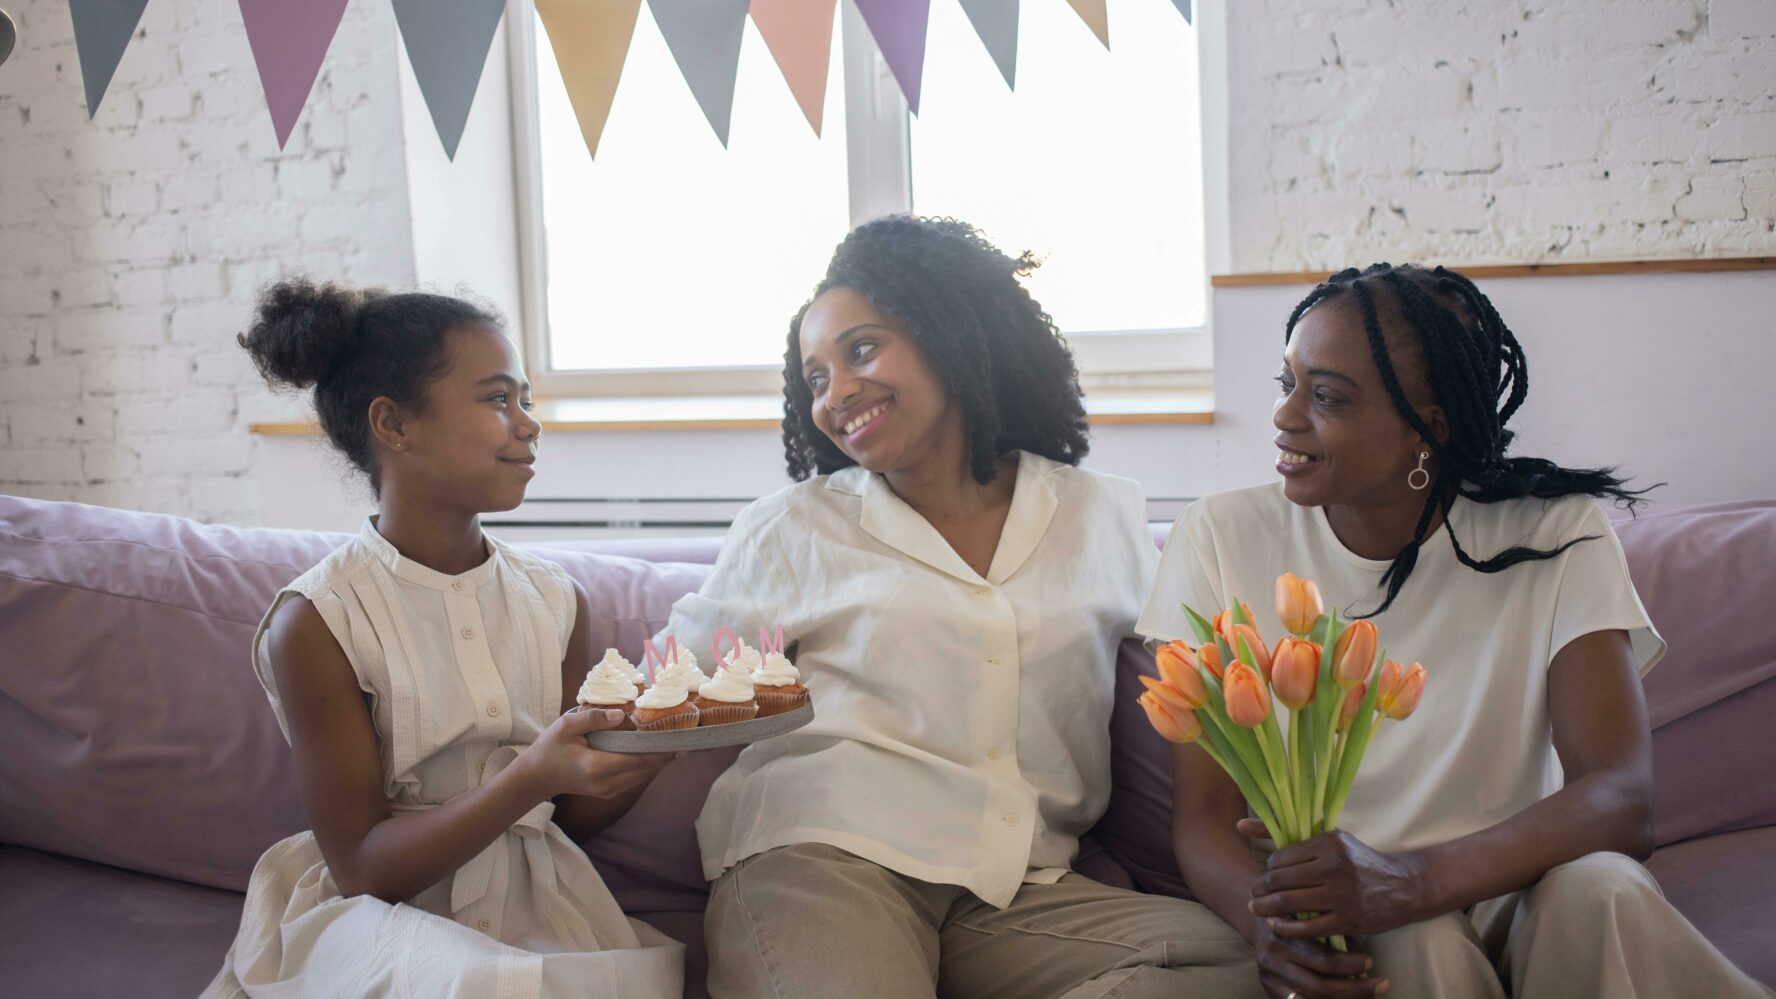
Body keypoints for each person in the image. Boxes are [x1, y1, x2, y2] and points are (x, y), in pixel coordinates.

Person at [662, 216, 1264, 998]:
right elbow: (666, 689)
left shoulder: (1100, 517)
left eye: (862, 349)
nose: (836, 393)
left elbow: (1198, 671)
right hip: (824, 858)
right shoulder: (794, 525)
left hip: (1016, 886)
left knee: (1239, 963)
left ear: (953, 333)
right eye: (814, 377)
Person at [1140, 263, 1769, 999]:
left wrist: (1411, 880)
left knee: (1601, 889)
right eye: (1287, 384)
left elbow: (1622, 796)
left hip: (1523, 890)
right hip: (1358, 918)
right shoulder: (1218, 536)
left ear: (1426, 427)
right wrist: (1273, 928)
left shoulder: (1556, 533)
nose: (1285, 417)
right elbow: (1205, 816)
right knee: (1410, 940)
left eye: (1328, 396)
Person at [202, 280, 683, 998]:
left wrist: (644, 751)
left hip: (537, 904)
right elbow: (363, 865)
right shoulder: (320, 619)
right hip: (382, 918)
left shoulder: (557, 602)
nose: (529, 424)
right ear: (394, 425)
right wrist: (532, 775)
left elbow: (568, 819)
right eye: (497, 399)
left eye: (526, 398)